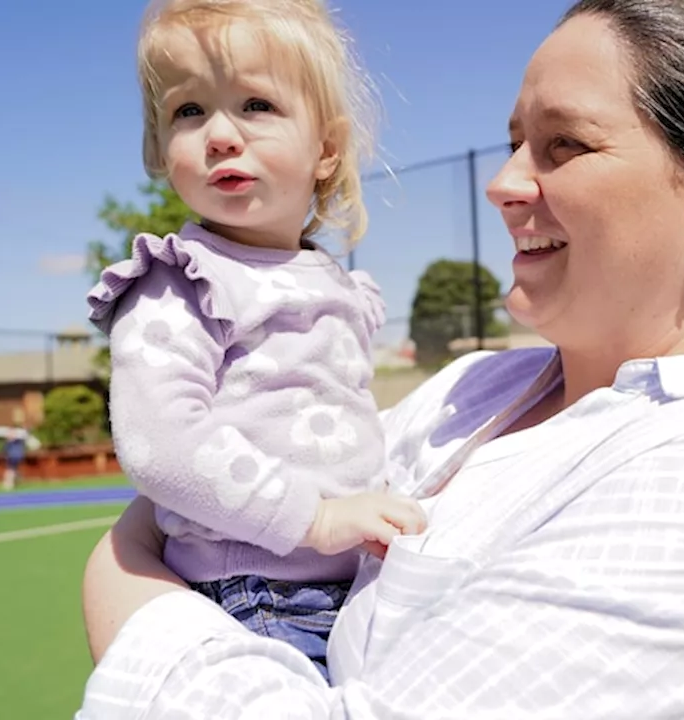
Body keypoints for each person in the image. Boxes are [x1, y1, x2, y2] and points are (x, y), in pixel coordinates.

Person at [77, 1, 684, 717]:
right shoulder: (473, 391)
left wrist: (124, 573)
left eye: (563, 145)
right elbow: (230, 458)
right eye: (511, 141)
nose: (503, 183)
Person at [82, 0, 426, 682]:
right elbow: (162, 443)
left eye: (257, 105)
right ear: (158, 148)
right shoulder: (180, 281)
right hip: (258, 595)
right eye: (188, 111)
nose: (219, 135)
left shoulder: (331, 280)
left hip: (352, 584)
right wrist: (315, 518)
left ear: (326, 149)